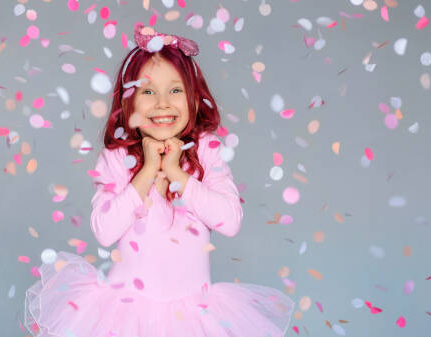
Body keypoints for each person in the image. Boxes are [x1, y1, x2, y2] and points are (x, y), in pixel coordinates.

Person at [24, 22, 295, 337]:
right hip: (125, 316)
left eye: (176, 90)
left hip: (195, 317)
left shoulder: (206, 152)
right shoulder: (116, 158)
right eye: (148, 91)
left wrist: (178, 173)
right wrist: (148, 170)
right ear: (129, 103)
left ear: (194, 100)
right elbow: (104, 230)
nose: (163, 103)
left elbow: (230, 221)